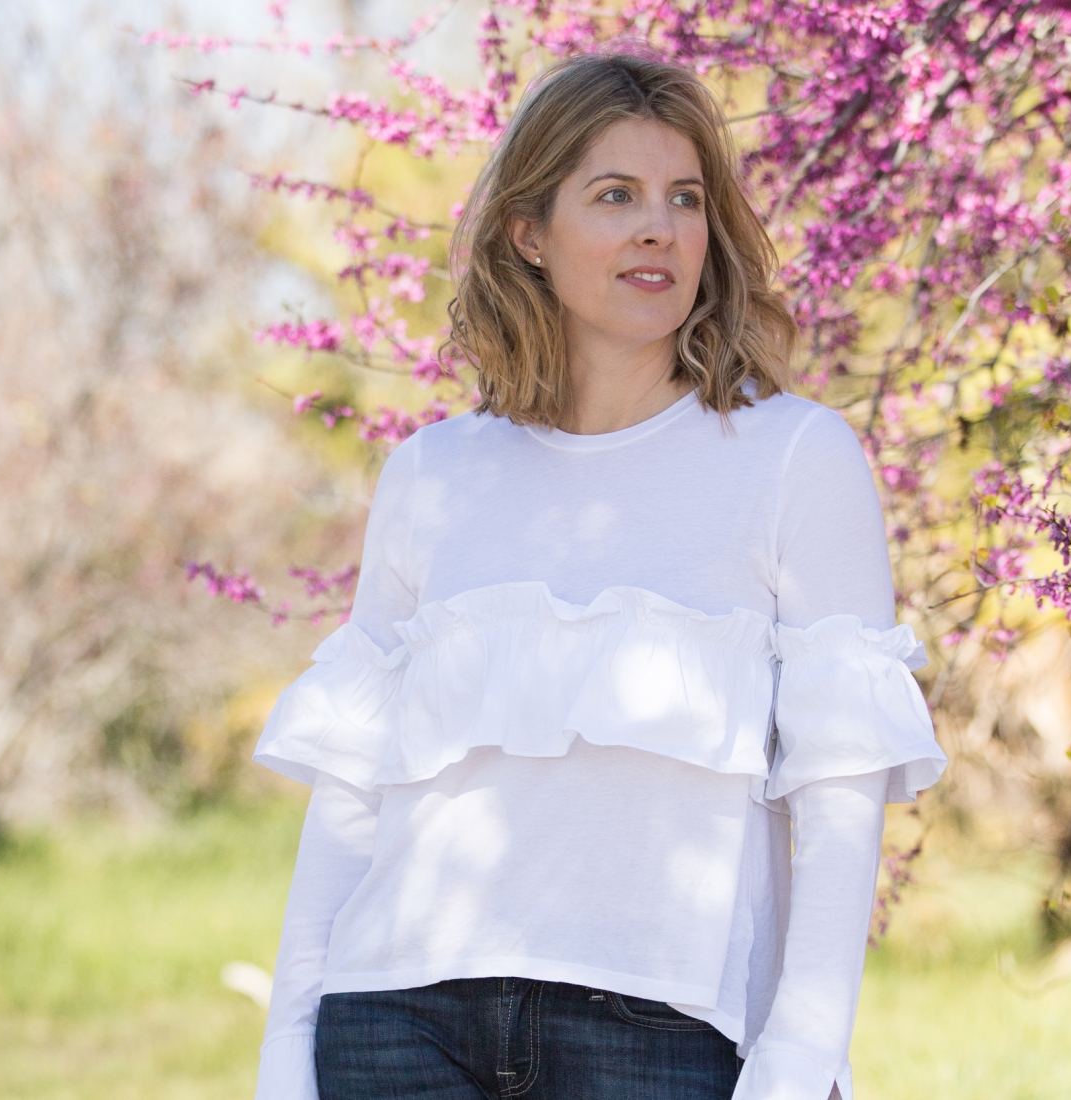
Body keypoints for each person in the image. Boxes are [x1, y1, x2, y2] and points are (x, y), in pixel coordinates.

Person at [250, 47, 947, 1100]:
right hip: (395, 1023)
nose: (657, 228)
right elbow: (354, 786)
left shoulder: (793, 458)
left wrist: (800, 1060)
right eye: (613, 195)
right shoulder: (432, 473)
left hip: (662, 1035)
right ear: (528, 233)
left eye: (683, 198)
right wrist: (284, 1052)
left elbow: (839, 794)